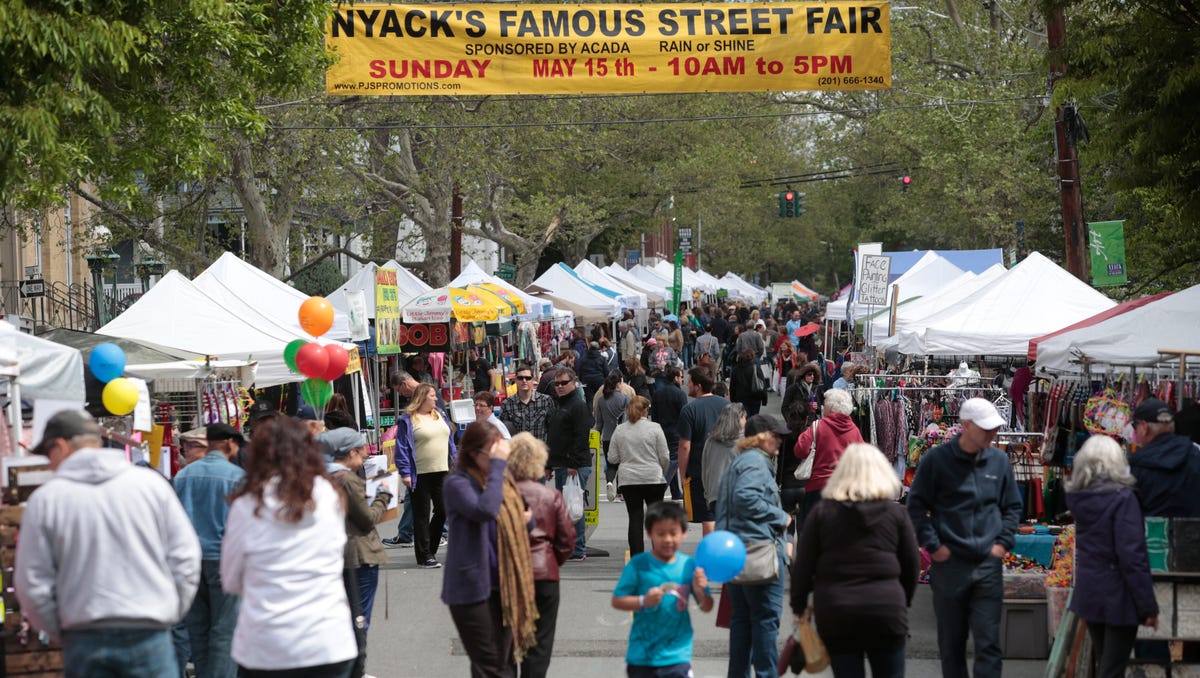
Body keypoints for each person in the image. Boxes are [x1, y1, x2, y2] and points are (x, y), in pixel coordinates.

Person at [15, 410, 201, 676]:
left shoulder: (47, 499)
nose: (49, 464)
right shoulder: (150, 486)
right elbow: (185, 557)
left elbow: (31, 581)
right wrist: (170, 610)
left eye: (47, 455)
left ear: (60, 446)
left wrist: (59, 626)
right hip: (149, 629)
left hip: (84, 635)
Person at [221, 416, 357, 676]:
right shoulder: (329, 495)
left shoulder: (249, 504)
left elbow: (231, 579)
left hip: (267, 644)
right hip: (328, 640)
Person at [906, 398, 1022, 678]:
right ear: (965, 426)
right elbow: (916, 506)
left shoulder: (999, 460)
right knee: (952, 645)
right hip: (950, 566)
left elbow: (1013, 506)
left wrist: (1002, 544)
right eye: (986, 429)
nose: (993, 434)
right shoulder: (937, 460)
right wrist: (934, 546)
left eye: (995, 428)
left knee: (989, 644)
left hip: (987, 565)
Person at [790, 443, 919, 678]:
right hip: (886, 609)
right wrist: (903, 600)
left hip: (838, 611)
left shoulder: (822, 513)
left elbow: (804, 566)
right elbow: (911, 566)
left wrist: (798, 606)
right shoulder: (897, 515)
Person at [442, 422, 539, 678]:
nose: (500, 458)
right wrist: (497, 467)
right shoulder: (457, 483)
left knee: (500, 662)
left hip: (504, 583)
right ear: (474, 454)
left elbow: (525, 517)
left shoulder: (501, 482)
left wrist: (526, 520)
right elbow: (485, 510)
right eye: (493, 452)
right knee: (492, 665)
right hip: (471, 588)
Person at [1066, 435, 1159, 678]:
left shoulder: (1079, 498)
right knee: (1113, 666)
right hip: (1118, 594)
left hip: (1089, 590)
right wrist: (1148, 606)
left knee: (1104, 660)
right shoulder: (1123, 498)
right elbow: (1132, 555)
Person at [714, 414, 792, 678]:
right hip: (758, 553)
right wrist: (781, 518)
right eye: (776, 436)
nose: (780, 442)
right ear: (762, 437)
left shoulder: (741, 461)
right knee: (764, 622)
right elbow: (746, 497)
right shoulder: (756, 463)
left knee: (743, 622)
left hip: (738, 551)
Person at [173, 422, 247, 678]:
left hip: (190, 559)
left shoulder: (183, 476)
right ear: (228, 443)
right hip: (224, 559)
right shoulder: (236, 477)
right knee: (225, 630)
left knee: (198, 629)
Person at [611, 501, 714, 678]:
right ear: (650, 534)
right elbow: (618, 600)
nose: (667, 539)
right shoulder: (638, 565)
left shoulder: (689, 566)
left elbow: (706, 606)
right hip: (642, 656)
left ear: (684, 533)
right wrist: (643, 601)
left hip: (677, 656)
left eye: (673, 533)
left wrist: (700, 590)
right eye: (661, 533)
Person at [508, 433, 577, 678]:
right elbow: (567, 541)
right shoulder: (551, 496)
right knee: (540, 643)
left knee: (506, 642)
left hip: (508, 576)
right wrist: (551, 561)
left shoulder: (499, 495)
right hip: (544, 573)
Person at [320, 427, 392, 654]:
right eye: (362, 454)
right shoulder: (346, 480)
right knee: (359, 618)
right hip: (359, 554)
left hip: (336, 554)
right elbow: (367, 518)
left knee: (343, 616)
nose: (363, 460)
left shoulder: (322, 477)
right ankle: (355, 667)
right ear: (350, 452)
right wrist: (383, 495)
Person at [395, 383, 458, 568]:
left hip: (442, 469)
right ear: (422, 397)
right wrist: (405, 473)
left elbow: (450, 440)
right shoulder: (408, 419)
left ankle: (429, 547)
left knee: (444, 510)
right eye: (432, 395)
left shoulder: (440, 414)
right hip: (420, 473)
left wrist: (454, 460)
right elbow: (402, 449)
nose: (436, 398)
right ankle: (424, 556)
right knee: (421, 515)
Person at [607, 396, 670, 555]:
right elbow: (664, 456)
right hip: (653, 477)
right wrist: (662, 470)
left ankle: (637, 557)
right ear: (645, 410)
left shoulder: (620, 430)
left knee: (635, 518)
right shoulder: (655, 428)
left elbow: (612, 458)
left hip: (629, 480)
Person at [546, 367, 596, 561]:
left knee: (573, 507)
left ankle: (578, 548)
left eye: (563, 383)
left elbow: (581, 436)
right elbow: (555, 437)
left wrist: (573, 463)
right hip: (561, 464)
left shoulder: (577, 405)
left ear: (573, 383)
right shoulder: (560, 404)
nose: (559, 387)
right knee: (566, 508)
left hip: (574, 466)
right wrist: (549, 465)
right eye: (556, 384)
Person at [793, 389, 865, 519]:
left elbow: (800, 450)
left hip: (819, 487)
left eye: (825, 404)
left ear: (831, 408)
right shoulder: (854, 430)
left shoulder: (818, 426)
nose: (823, 407)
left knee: (816, 531)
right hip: (845, 487)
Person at [678, 366, 731, 535]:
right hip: (726, 470)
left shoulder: (689, 410)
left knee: (708, 518)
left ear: (698, 386)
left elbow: (685, 445)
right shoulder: (728, 406)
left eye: (690, 382)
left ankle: (711, 556)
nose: (687, 385)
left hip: (700, 471)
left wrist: (683, 473)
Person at [1127, 397, 1200, 517]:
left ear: (1145, 427)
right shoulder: (1194, 454)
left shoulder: (1137, 465)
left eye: (1136, 426)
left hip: (1152, 534)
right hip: (1191, 533)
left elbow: (1131, 512)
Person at [700, 402, 747, 513]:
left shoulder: (711, 441)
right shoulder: (745, 442)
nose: (746, 421)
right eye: (744, 418)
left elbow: (705, 468)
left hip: (715, 495)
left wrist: (707, 494)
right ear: (739, 419)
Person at [651, 365, 689, 501]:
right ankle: (662, 488)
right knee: (674, 461)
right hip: (676, 431)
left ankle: (675, 491)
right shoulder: (680, 394)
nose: (682, 380)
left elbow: (653, 414)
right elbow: (684, 415)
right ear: (675, 378)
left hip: (661, 430)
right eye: (681, 377)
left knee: (668, 460)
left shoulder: (657, 393)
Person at [595, 370, 631, 502]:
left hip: (607, 437)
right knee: (622, 464)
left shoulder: (601, 401)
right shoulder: (625, 398)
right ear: (618, 384)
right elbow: (628, 419)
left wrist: (596, 436)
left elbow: (598, 423)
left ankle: (609, 481)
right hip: (622, 436)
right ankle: (620, 492)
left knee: (611, 463)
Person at [499, 363, 555, 443]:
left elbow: (552, 428)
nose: (524, 381)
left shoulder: (545, 401)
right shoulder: (507, 404)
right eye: (520, 378)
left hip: (540, 451)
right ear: (516, 380)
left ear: (532, 380)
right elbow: (503, 432)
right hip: (518, 451)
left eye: (528, 378)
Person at [730, 348, 767, 418]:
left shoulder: (736, 369)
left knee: (743, 417)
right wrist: (764, 399)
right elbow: (762, 383)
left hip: (740, 398)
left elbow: (732, 386)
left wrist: (733, 400)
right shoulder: (755, 368)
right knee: (754, 417)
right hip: (755, 397)